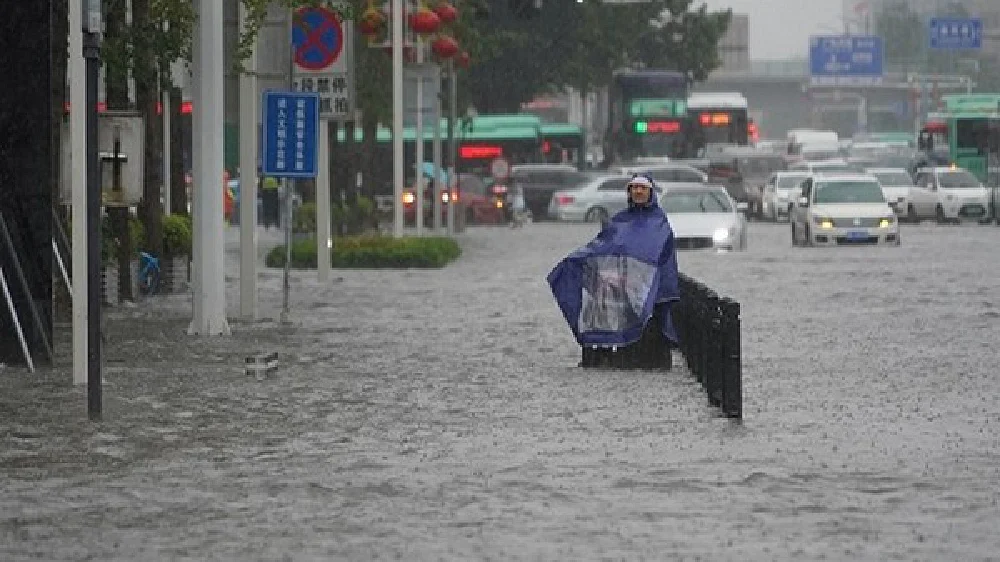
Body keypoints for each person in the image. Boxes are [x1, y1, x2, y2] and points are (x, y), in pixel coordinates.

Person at [547, 173, 680, 368]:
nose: (638, 191)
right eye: (634, 188)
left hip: (648, 289)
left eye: (642, 188)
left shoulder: (659, 222)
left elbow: (658, 254)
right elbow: (603, 246)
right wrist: (578, 259)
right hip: (619, 289)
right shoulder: (619, 221)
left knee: (646, 331)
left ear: (650, 192)